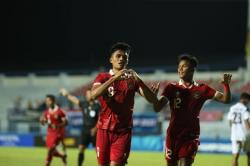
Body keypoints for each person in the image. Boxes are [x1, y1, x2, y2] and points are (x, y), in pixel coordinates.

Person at [151, 54, 232, 166]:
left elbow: (225, 99)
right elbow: (157, 108)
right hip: (173, 135)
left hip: (191, 136)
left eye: (184, 66)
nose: (180, 68)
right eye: (179, 66)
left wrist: (226, 85)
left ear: (192, 69)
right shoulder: (171, 88)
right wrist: (154, 99)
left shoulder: (203, 89)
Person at [89, 42, 159, 166]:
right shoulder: (102, 77)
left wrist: (139, 80)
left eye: (125, 57)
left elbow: (152, 100)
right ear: (111, 59)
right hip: (104, 130)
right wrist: (114, 78)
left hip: (123, 131)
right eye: (118, 56)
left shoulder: (132, 80)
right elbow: (93, 95)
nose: (122, 58)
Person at [60, 88, 100, 166]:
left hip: (94, 131)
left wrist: (95, 128)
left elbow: (101, 118)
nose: (87, 96)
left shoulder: (97, 106)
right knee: (81, 148)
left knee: (97, 151)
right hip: (85, 130)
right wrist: (67, 94)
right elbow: (74, 99)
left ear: (92, 94)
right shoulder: (84, 104)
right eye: (86, 94)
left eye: (89, 94)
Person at [40, 94, 68, 166]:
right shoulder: (46, 112)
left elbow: (66, 122)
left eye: (49, 101)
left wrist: (57, 125)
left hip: (58, 133)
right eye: (46, 101)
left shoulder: (60, 111)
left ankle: (47, 164)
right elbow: (44, 122)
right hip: (50, 133)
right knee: (51, 151)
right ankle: (62, 156)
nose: (47, 102)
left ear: (53, 101)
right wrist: (42, 121)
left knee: (50, 150)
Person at [227, 92, 250, 166]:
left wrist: (234, 130)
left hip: (235, 136)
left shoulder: (232, 108)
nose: (248, 102)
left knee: (235, 157)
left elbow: (230, 121)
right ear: (245, 99)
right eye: (248, 101)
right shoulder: (245, 109)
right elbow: (246, 122)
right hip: (245, 135)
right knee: (249, 154)